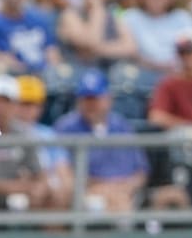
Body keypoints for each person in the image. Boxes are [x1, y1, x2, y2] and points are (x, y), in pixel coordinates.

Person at [53, 68, 148, 212]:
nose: (91, 104)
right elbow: (63, 172)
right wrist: (101, 187)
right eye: (86, 99)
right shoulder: (65, 127)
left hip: (125, 192)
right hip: (86, 193)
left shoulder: (122, 126)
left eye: (95, 99)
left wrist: (123, 188)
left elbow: (141, 171)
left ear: (108, 99)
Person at [0, 73, 73, 211]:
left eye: (6, 101)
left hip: (16, 201)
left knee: (47, 196)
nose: (0, 107)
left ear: (14, 105)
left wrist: (37, 188)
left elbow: (40, 176)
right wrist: (15, 186)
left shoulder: (25, 134)